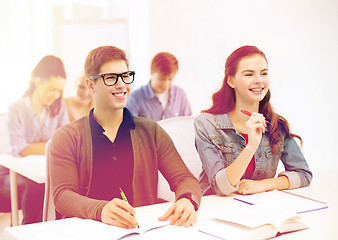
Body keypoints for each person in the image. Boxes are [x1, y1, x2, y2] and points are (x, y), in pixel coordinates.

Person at [48, 46, 202, 229]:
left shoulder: (151, 131)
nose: (121, 85)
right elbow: (62, 196)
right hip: (88, 230)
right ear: (90, 85)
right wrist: (100, 209)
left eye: (125, 76)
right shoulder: (67, 137)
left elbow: (185, 179)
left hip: (139, 230)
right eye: (111, 78)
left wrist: (186, 200)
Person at [194, 45, 312, 196]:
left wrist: (264, 185)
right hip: (215, 208)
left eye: (264, 73)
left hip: (257, 209)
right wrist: (251, 146)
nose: (259, 80)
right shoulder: (206, 125)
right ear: (231, 81)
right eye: (249, 74)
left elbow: (304, 174)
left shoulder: (276, 125)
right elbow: (221, 187)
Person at [0, 55, 69, 224]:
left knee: (58, 184)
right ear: (38, 82)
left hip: (45, 171)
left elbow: (65, 143)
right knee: (38, 185)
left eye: (59, 90)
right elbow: (21, 148)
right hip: (12, 173)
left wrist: (41, 147)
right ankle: (29, 229)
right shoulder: (16, 108)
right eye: (52, 89)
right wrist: (51, 146)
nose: (56, 95)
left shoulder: (59, 108)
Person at [126, 52, 192, 121]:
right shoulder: (135, 98)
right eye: (162, 79)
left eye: (170, 79)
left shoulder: (180, 94)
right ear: (151, 72)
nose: (166, 84)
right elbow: (130, 128)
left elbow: (187, 124)